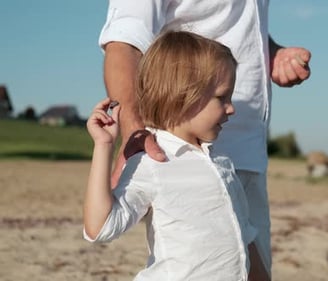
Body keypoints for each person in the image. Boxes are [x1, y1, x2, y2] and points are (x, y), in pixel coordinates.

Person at [99, 1, 311, 276]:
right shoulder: (157, 167)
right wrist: (135, 136)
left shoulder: (225, 165)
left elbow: (235, 20)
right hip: (178, 156)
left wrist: (269, 51)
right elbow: (124, 41)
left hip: (247, 153)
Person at [84, 30, 269, 280]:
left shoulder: (222, 164)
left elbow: (243, 237)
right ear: (183, 94)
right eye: (221, 97)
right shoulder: (152, 164)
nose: (231, 108)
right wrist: (104, 146)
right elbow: (100, 228)